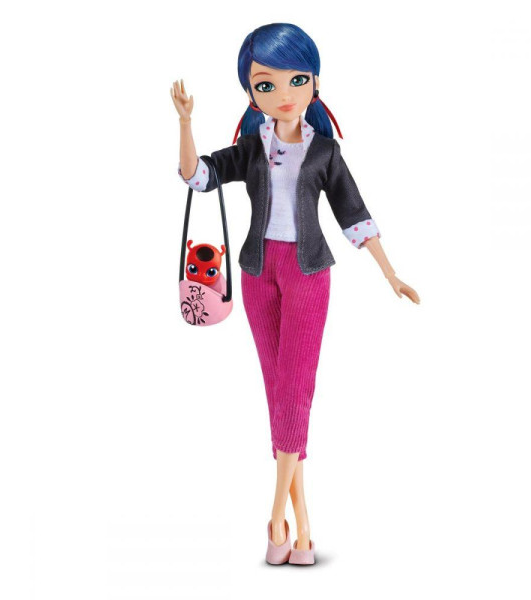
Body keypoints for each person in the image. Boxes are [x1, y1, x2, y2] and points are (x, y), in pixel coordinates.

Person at [172, 22, 420, 565]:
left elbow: (354, 214)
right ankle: (302, 527)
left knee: (296, 388)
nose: (283, 94)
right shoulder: (250, 148)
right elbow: (197, 176)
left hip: (308, 273)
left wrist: (391, 274)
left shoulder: (325, 151)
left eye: (297, 80)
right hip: (258, 272)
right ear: (250, 93)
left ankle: (275, 518)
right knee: (277, 389)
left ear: (315, 83)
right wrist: (186, 123)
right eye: (266, 84)